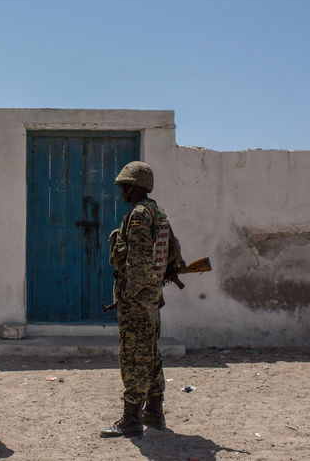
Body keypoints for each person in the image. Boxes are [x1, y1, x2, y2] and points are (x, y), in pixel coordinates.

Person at [101, 161, 185, 438]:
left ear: (134, 187)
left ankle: (131, 419)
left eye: (124, 186)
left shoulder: (138, 215)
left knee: (134, 356)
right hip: (152, 297)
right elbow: (174, 253)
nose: (121, 191)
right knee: (151, 354)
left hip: (137, 300)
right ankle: (154, 411)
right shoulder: (158, 212)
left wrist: (128, 294)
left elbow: (137, 260)